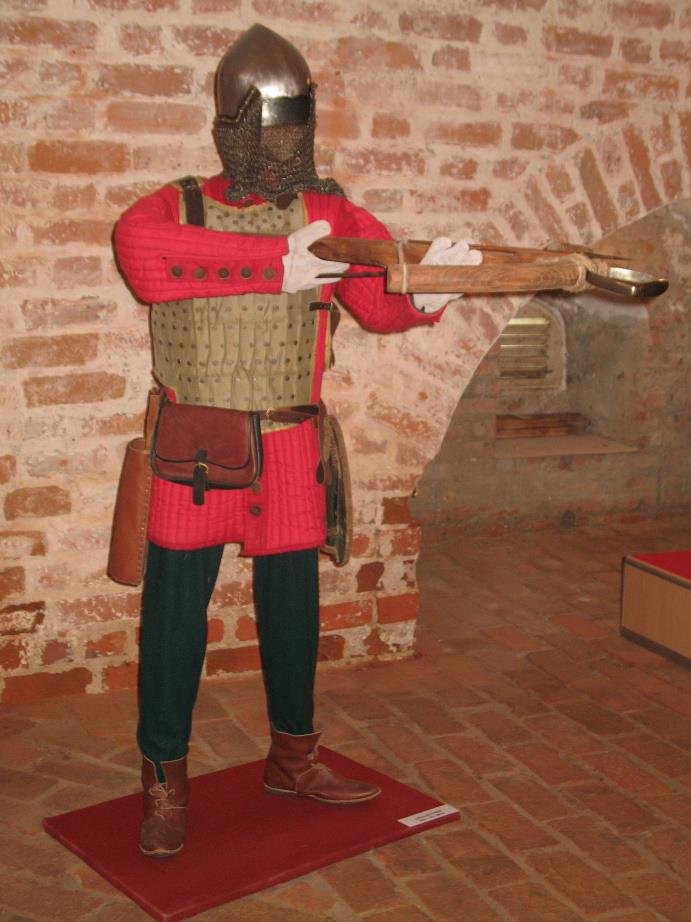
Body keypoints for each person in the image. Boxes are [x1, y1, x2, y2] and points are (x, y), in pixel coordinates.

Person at [113, 23, 481, 857]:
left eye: (296, 123)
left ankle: (293, 758)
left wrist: (430, 288)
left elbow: (377, 297)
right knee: (173, 616)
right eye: (272, 123)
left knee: (291, 605)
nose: (287, 140)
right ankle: (164, 779)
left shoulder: (326, 209)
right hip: (196, 444)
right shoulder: (179, 204)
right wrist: (272, 265)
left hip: (287, 442)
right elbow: (139, 253)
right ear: (234, 125)